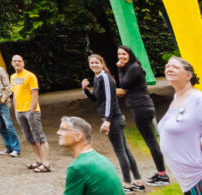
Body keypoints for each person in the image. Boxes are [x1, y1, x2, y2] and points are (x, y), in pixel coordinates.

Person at [82, 53, 145, 191]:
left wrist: (108, 121)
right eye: (91, 63)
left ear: (102, 63)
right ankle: (138, 182)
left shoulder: (105, 77)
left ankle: (127, 184)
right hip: (112, 118)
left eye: (96, 63)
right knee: (125, 151)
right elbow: (97, 100)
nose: (94, 65)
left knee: (120, 151)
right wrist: (85, 90)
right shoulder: (97, 77)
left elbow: (110, 99)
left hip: (114, 119)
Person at [115, 45, 170, 186]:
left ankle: (163, 175)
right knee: (151, 140)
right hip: (144, 106)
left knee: (151, 141)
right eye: (119, 54)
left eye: (124, 54)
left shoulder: (133, 67)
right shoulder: (132, 67)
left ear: (130, 54)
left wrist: (120, 69)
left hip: (141, 107)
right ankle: (161, 173)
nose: (121, 56)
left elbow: (124, 84)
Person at [159, 56, 202, 194]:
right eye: (167, 67)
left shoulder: (197, 99)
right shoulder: (177, 97)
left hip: (197, 176)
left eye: (175, 67)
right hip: (186, 180)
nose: (169, 69)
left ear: (188, 76)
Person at [58, 115, 125, 195]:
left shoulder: (78, 167)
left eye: (63, 129)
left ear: (78, 136)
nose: (58, 133)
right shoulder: (100, 158)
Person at [11, 54, 52, 172]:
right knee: (30, 138)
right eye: (15, 61)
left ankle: (46, 163)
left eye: (19, 61)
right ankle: (39, 160)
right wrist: (15, 109)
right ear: (12, 63)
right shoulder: (13, 77)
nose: (17, 63)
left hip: (31, 111)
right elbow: (15, 94)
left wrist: (32, 111)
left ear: (23, 63)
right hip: (19, 111)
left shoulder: (30, 76)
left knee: (39, 136)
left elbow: (35, 94)